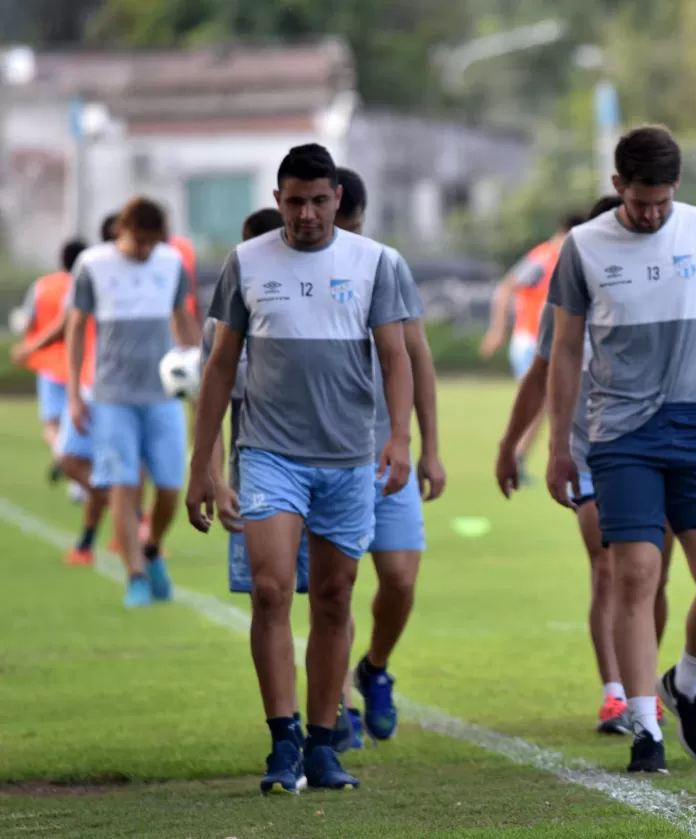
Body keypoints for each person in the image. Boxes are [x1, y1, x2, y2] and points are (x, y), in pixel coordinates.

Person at [546, 125, 696, 774]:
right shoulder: (584, 246)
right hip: (618, 434)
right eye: (639, 201)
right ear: (617, 186)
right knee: (636, 574)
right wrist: (562, 445)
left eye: (662, 201)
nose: (651, 214)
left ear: (678, 188)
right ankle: (645, 726)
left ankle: (689, 683)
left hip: (695, 427)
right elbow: (565, 351)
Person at [185, 143, 413, 794]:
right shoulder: (247, 262)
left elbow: (396, 357)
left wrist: (400, 437)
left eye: (318, 200)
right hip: (270, 453)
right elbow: (221, 366)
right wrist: (202, 466)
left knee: (336, 598)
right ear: (279, 198)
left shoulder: (375, 263)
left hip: (348, 459)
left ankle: (322, 742)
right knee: (270, 589)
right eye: (294, 201)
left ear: (337, 198)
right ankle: (282, 740)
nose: (306, 213)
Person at [498, 194, 673, 736]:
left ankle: (644, 684)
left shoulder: (664, 286)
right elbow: (542, 374)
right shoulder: (571, 299)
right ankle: (616, 694)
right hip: (592, 453)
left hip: (657, 451)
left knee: (652, 577)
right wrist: (514, 445)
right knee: (608, 570)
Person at [333, 166, 447, 744]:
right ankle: (337, 703)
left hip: (387, 452)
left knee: (400, 579)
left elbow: (418, 356)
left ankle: (373, 668)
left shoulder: (384, 264)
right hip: (327, 455)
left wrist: (428, 446)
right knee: (338, 583)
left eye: (351, 224)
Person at [65, 196, 200, 608]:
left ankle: (153, 547)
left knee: (170, 488)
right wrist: (74, 390)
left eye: (152, 243)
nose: (145, 251)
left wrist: (197, 375)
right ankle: (136, 575)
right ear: (123, 229)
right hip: (112, 396)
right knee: (123, 486)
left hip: (162, 396)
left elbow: (182, 319)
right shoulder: (92, 264)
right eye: (140, 242)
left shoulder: (170, 262)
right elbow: (74, 328)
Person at [14, 238, 108, 565]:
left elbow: (45, 323)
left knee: (58, 435)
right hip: (87, 370)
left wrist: (29, 347)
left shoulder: (44, 286)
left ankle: (108, 515)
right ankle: (102, 529)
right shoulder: (101, 278)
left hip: (63, 371)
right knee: (104, 463)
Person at [481, 213, 587, 481]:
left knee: (549, 406)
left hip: (547, 342)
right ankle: (517, 457)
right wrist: (498, 329)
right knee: (542, 402)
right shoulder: (544, 258)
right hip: (532, 341)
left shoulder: (567, 260)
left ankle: (520, 458)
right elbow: (507, 287)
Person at [13, 238, 88, 480]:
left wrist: (28, 347)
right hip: (81, 362)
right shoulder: (87, 283)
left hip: (48, 363)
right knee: (79, 421)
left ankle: (61, 454)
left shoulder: (43, 285)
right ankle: (75, 471)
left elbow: (26, 321)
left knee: (52, 424)